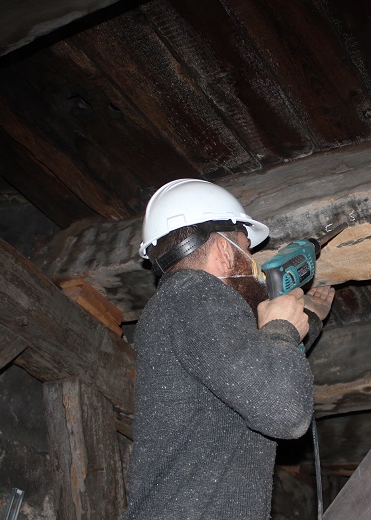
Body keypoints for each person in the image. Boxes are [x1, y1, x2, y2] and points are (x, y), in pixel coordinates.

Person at [123, 179, 334, 520]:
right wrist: (282, 328)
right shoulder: (195, 292)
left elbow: (249, 371)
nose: (252, 265)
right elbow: (286, 412)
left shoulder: (179, 308)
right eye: (246, 251)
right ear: (223, 251)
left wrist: (308, 320)